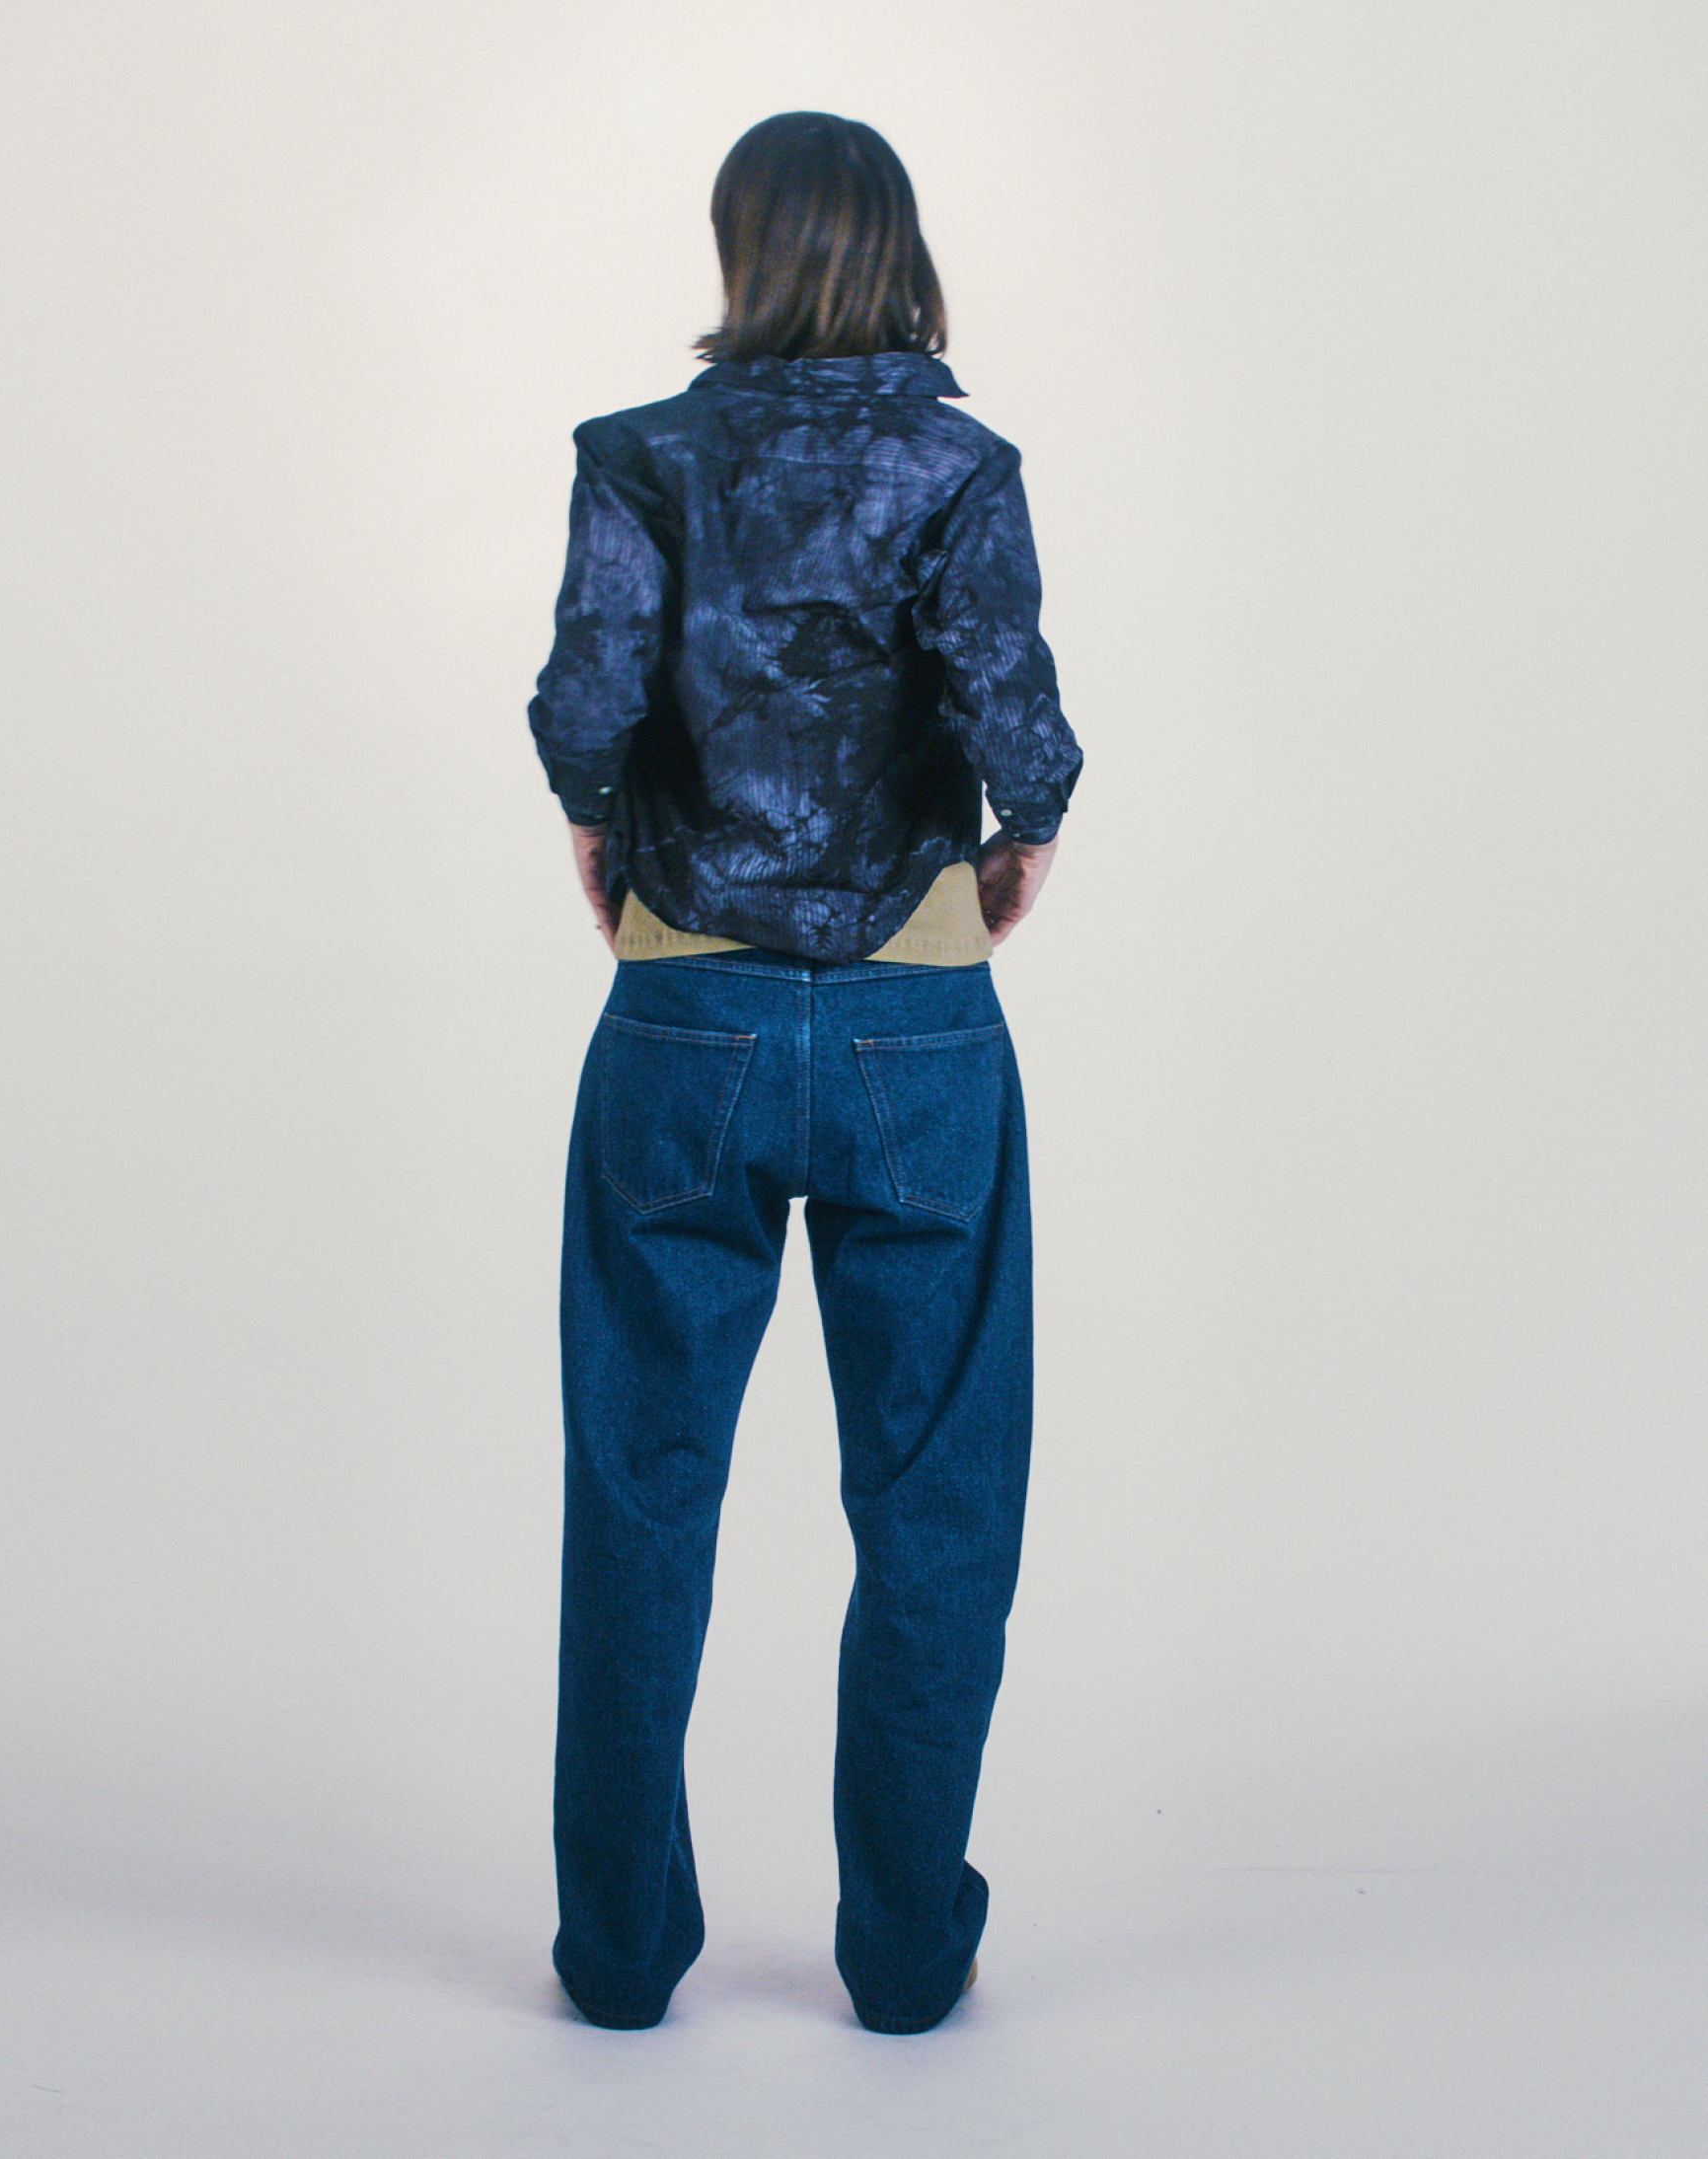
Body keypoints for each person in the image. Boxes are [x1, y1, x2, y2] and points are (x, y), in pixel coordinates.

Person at [526, 111, 1081, 2036]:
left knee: (638, 1490)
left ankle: (618, 1961)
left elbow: (585, 706)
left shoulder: (639, 459)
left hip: (679, 1016)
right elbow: (1019, 727)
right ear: (896, 250)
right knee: (936, 1502)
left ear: (737, 249)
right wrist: (1019, 843)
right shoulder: (960, 468)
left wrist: (604, 834)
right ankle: (908, 1961)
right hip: (917, 1024)